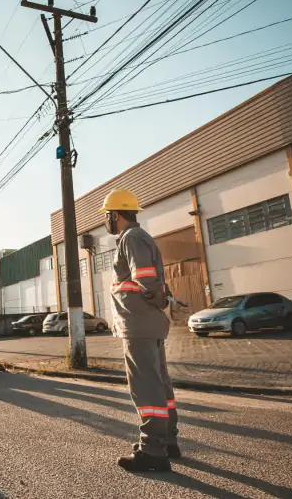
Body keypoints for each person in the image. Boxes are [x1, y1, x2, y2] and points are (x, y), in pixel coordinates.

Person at [99, 188, 179, 472]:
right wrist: (163, 303)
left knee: (145, 387)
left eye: (107, 216)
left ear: (115, 215)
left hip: (138, 323)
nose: (107, 221)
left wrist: (162, 301)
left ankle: (152, 451)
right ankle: (167, 440)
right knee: (160, 383)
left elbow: (144, 278)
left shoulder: (131, 238)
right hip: (148, 323)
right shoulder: (140, 237)